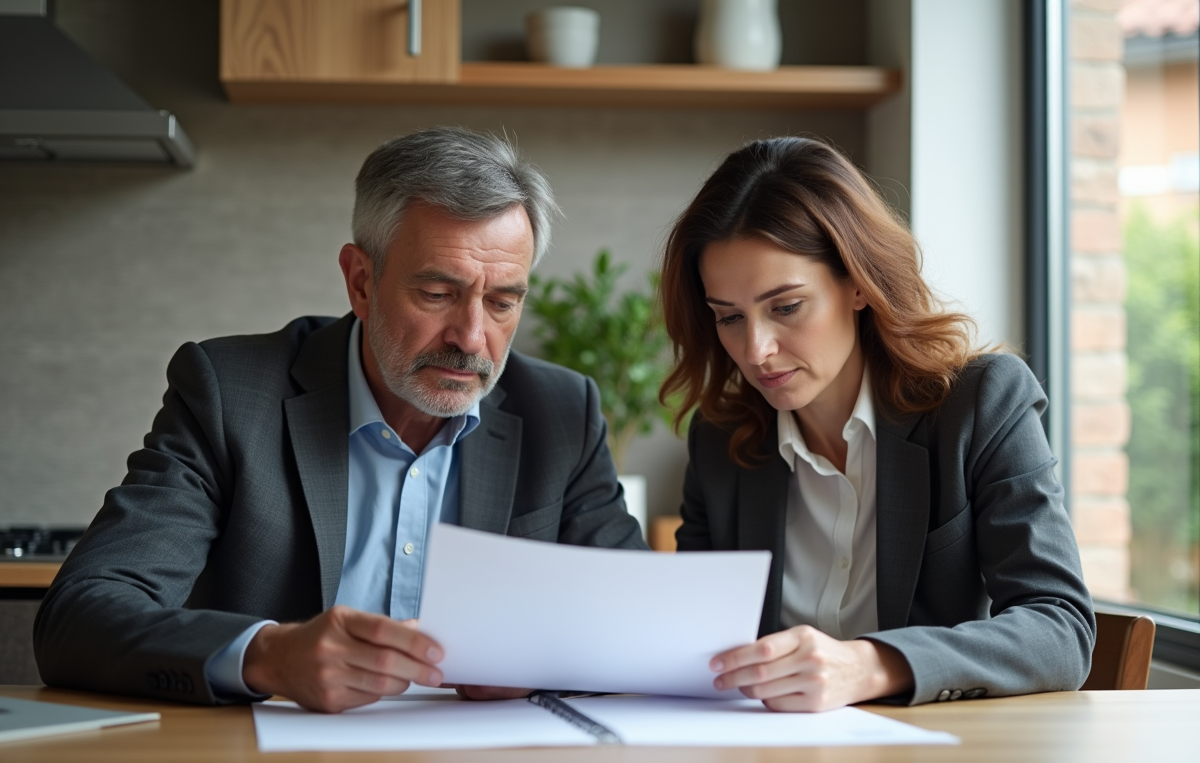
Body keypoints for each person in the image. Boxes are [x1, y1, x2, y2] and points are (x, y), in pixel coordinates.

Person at [34, 127, 645, 713]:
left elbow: (643, 625)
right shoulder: (230, 394)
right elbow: (79, 616)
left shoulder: (562, 412)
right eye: (437, 294)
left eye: (503, 301)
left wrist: (544, 658)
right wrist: (268, 656)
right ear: (360, 281)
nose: (471, 337)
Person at [659, 137, 1095, 711]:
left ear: (858, 282)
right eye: (729, 318)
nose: (756, 349)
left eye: (786, 307)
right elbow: (697, 642)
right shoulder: (721, 442)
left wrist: (869, 665)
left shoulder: (980, 403)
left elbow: (1061, 629)